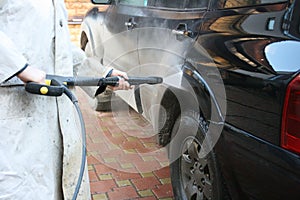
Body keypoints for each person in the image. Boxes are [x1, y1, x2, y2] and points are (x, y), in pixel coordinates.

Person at [0, 0, 130, 199]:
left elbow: (59, 47)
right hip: (15, 120)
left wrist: (102, 74)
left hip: (53, 121)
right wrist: (21, 68)